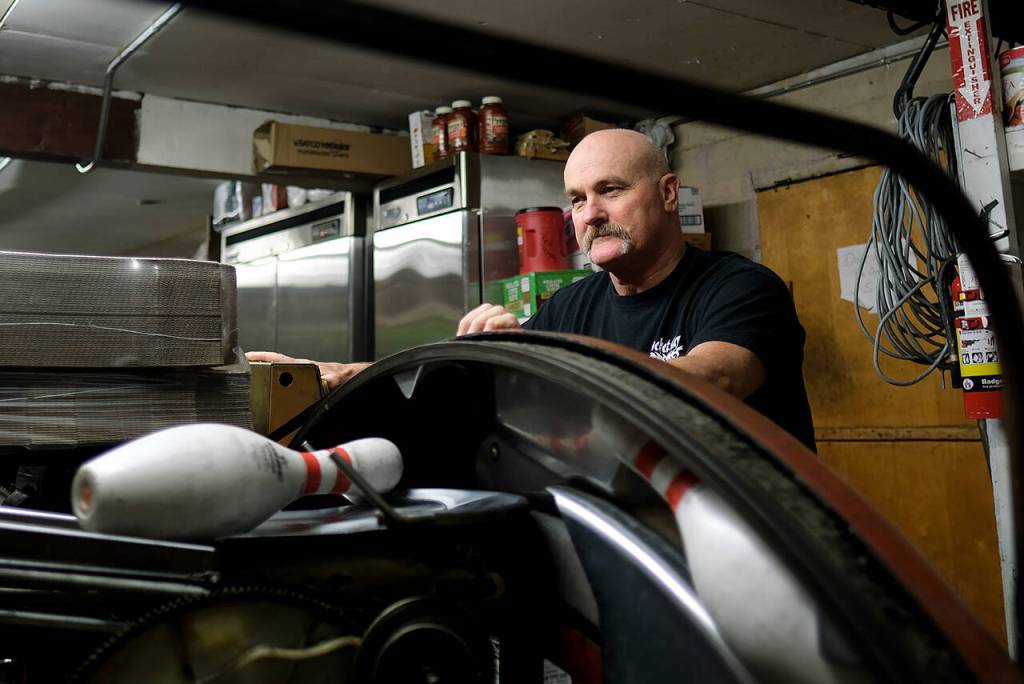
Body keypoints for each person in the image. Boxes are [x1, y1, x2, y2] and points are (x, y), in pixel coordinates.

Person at [249, 129, 815, 449]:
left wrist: (535, 365)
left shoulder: (738, 287)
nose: (590, 214)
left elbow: (710, 380)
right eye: (575, 199)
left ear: (668, 193)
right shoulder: (569, 305)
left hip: (762, 549)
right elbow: (476, 389)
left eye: (610, 190)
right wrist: (346, 376)